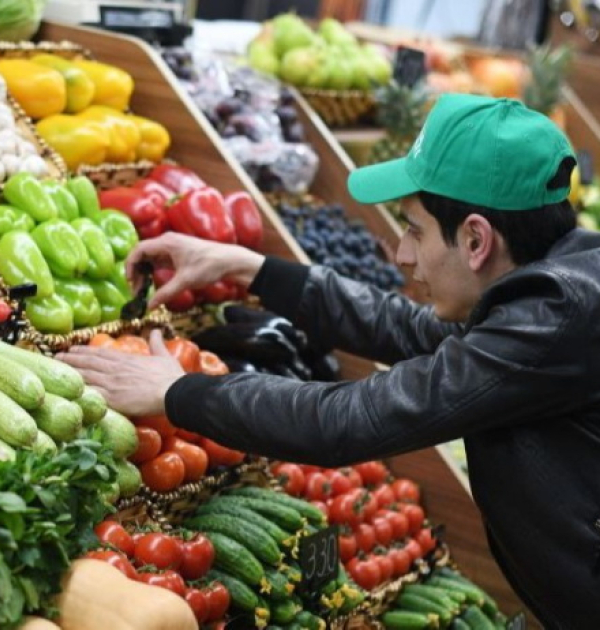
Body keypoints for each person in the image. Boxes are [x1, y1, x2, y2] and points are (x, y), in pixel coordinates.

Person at [58, 93, 600, 628]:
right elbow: (412, 329)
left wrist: (179, 392)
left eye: (414, 230)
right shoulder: (554, 291)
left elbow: (350, 420)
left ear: (477, 239)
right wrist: (252, 269)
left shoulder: (554, 316)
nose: (402, 254)